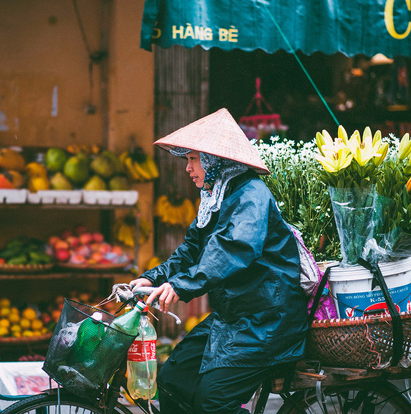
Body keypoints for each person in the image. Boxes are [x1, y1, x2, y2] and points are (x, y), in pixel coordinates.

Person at [130, 108, 308, 413]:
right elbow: (190, 251)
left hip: (267, 321)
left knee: (213, 401)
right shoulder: (215, 196)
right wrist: (154, 277)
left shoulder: (251, 194)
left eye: (193, 159)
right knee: (172, 380)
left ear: (215, 160)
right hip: (233, 318)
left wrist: (183, 285)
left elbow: (234, 248)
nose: (188, 168)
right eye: (187, 159)